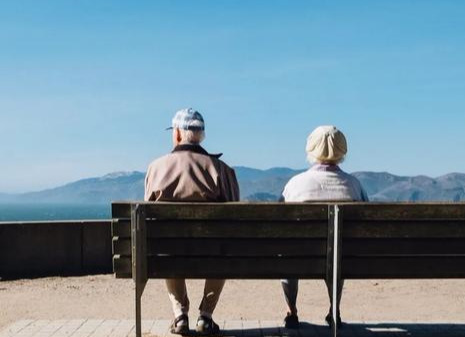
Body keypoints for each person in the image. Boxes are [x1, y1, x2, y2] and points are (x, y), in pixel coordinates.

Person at [145, 108, 240, 335]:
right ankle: (206, 316)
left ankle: (180, 315)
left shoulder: (156, 168)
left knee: (166, 245)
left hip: (171, 252)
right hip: (212, 252)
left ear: (177, 134)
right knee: (222, 248)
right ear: (201, 135)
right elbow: (236, 216)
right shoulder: (221, 170)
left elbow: (147, 219)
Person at [280, 125, 368, 329]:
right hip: (343, 259)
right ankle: (333, 309)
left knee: (287, 253)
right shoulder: (354, 185)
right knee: (338, 252)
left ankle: (291, 311)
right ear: (342, 150)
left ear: (310, 150)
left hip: (300, 258)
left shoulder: (295, 184)